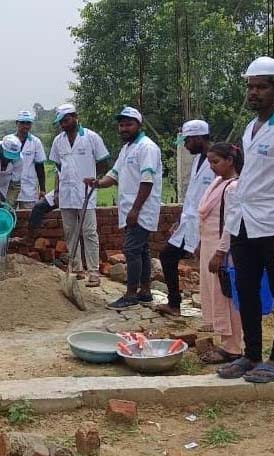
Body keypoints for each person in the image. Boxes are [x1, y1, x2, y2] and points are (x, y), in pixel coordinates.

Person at [218, 56, 274, 383]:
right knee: (246, 290)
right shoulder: (250, 128)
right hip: (244, 223)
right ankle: (252, 355)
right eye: (250, 87)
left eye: (261, 87)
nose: (254, 93)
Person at [84, 107, 162, 309]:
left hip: (141, 208)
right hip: (130, 208)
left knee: (131, 249)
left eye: (129, 124)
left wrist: (135, 210)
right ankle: (145, 292)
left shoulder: (147, 147)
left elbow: (147, 181)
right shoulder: (127, 149)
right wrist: (98, 183)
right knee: (141, 250)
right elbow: (114, 174)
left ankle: (131, 294)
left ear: (139, 125)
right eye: (121, 125)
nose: (124, 128)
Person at [156, 120, 216, 317]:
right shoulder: (198, 160)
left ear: (198, 138)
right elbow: (193, 194)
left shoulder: (217, 160)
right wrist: (180, 220)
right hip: (189, 222)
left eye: (187, 141)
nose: (185, 145)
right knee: (167, 256)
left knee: (210, 268)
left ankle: (215, 315)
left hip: (207, 224)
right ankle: (174, 304)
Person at [48, 103, 109, 287]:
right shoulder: (58, 141)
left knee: (89, 232)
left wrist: (96, 179)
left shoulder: (91, 137)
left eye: (66, 120)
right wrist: (57, 190)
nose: (63, 125)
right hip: (66, 193)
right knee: (70, 232)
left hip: (85, 192)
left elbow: (103, 162)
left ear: (75, 117)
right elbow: (58, 167)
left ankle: (94, 271)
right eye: (61, 122)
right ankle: (77, 268)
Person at [196, 143, 245, 364]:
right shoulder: (218, 183)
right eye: (209, 162)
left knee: (226, 297)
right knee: (214, 294)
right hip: (209, 244)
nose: (212, 167)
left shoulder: (233, 187)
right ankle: (225, 340)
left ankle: (233, 347)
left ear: (230, 161)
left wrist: (220, 252)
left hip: (223, 249)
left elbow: (231, 224)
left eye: (215, 162)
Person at [14, 110, 47, 209]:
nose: (25, 126)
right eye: (22, 123)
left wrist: (42, 189)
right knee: (9, 215)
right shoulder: (9, 140)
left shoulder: (36, 142)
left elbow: (40, 166)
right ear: (17, 123)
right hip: (10, 187)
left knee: (28, 216)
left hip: (29, 188)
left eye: (28, 123)